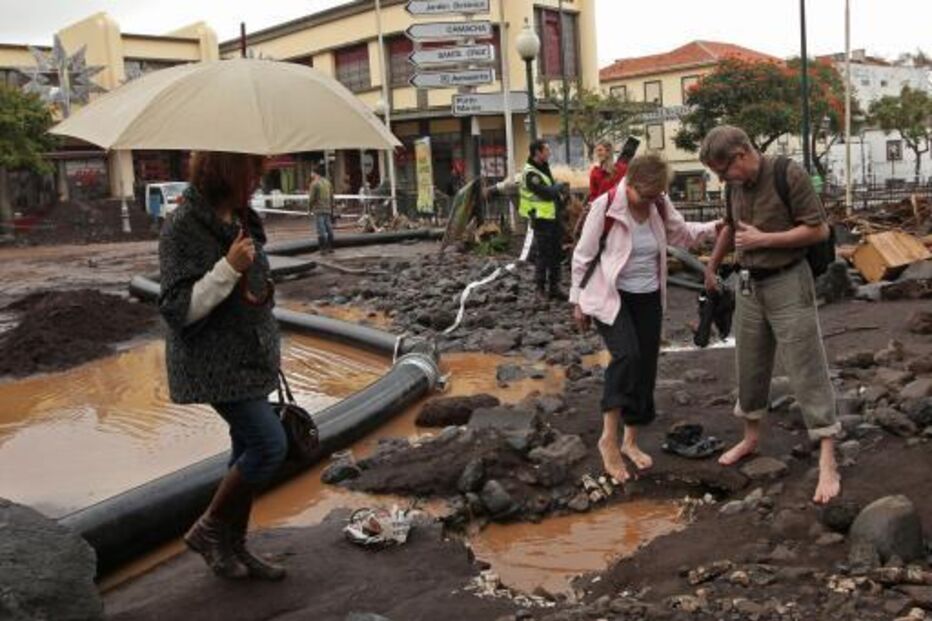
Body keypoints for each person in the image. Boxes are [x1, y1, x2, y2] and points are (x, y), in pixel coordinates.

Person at [159, 151, 287, 580]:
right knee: (270, 445)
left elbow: (252, 281)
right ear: (227, 171)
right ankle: (210, 528)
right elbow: (179, 309)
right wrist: (228, 269)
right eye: (251, 171)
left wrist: (254, 284)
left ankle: (234, 548)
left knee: (244, 453)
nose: (257, 180)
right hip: (214, 361)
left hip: (251, 353)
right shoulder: (182, 227)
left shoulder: (242, 217)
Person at [699, 125, 841, 504]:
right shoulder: (734, 187)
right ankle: (750, 437)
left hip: (788, 279)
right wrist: (712, 266)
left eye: (723, 170)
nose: (721, 178)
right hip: (749, 283)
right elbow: (730, 228)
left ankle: (828, 454)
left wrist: (765, 240)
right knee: (749, 362)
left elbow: (818, 230)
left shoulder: (787, 173)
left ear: (743, 153)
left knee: (805, 363)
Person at [570, 154, 721, 483]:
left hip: (649, 295)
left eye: (657, 196)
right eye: (646, 196)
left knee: (646, 366)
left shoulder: (659, 204)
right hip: (610, 296)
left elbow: (683, 234)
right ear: (631, 183)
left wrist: (715, 227)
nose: (650, 202)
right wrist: (577, 301)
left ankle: (631, 441)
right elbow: (583, 255)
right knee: (627, 355)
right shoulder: (606, 206)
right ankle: (608, 440)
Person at [520, 139, 570, 303]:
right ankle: (539, 289)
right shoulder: (530, 173)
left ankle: (554, 288)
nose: (549, 153)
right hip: (541, 219)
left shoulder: (543, 168)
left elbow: (552, 191)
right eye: (546, 150)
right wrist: (559, 186)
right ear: (537, 153)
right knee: (543, 255)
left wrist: (561, 195)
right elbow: (546, 192)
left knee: (556, 253)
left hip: (553, 217)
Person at [588, 139, 629, 204]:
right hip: (601, 207)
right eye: (597, 151)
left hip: (619, 206)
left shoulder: (622, 168)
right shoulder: (595, 171)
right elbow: (593, 194)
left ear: (608, 151)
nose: (598, 153)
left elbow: (627, 187)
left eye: (600, 150)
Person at [308, 165, 335, 254]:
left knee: (321, 230)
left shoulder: (314, 184)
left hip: (318, 209)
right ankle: (331, 247)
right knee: (329, 228)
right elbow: (332, 196)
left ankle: (323, 249)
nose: (311, 174)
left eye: (311, 172)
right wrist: (332, 207)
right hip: (327, 208)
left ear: (315, 173)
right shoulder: (327, 182)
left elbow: (312, 198)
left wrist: (309, 208)